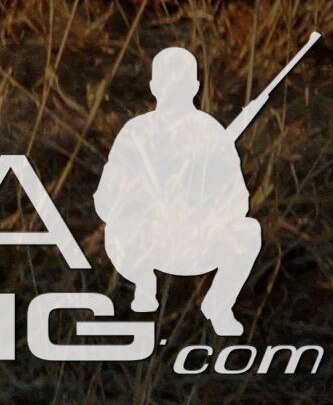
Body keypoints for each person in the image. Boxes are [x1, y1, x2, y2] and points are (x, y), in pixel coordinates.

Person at [97, 45, 262, 337]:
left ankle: (216, 305)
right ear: (195, 86)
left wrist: (198, 204)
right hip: (155, 243)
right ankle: (146, 284)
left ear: (153, 86)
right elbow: (106, 202)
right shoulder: (142, 133)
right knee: (116, 229)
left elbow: (238, 203)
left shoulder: (207, 134)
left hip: (186, 243)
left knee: (248, 231)